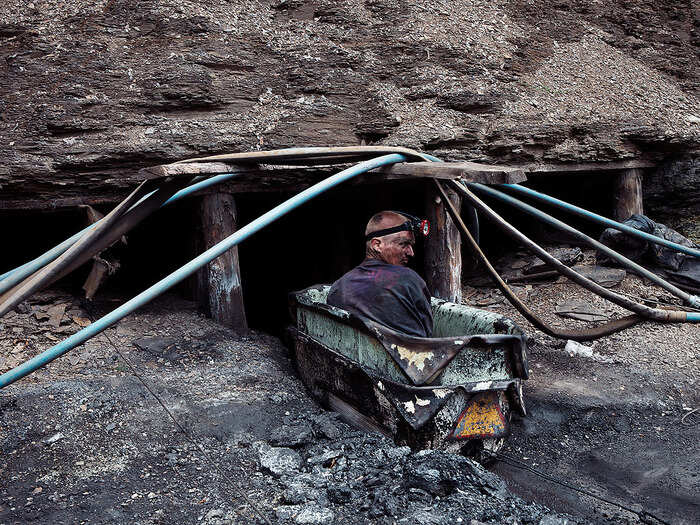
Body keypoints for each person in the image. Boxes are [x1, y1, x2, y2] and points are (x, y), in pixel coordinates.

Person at [327, 211, 433, 337]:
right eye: (403, 244)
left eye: (411, 245)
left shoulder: (338, 287)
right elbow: (427, 337)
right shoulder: (409, 280)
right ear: (377, 245)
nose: (411, 253)